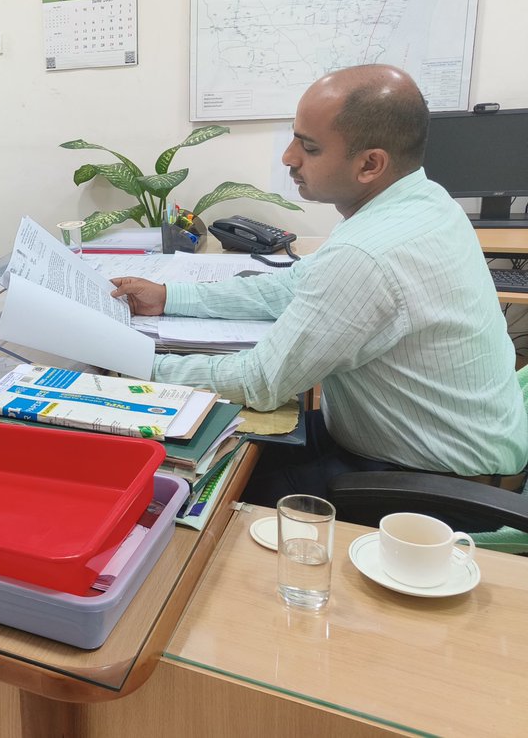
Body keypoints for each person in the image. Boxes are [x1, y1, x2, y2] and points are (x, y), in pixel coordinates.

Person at [112, 64, 527, 504]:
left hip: (432, 487)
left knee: (196, 489)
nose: (289, 157)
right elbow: (289, 288)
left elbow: (259, 382)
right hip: (435, 455)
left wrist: (129, 366)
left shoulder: (369, 253)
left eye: (308, 147)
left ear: (370, 164)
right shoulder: (423, 203)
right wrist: (170, 296)